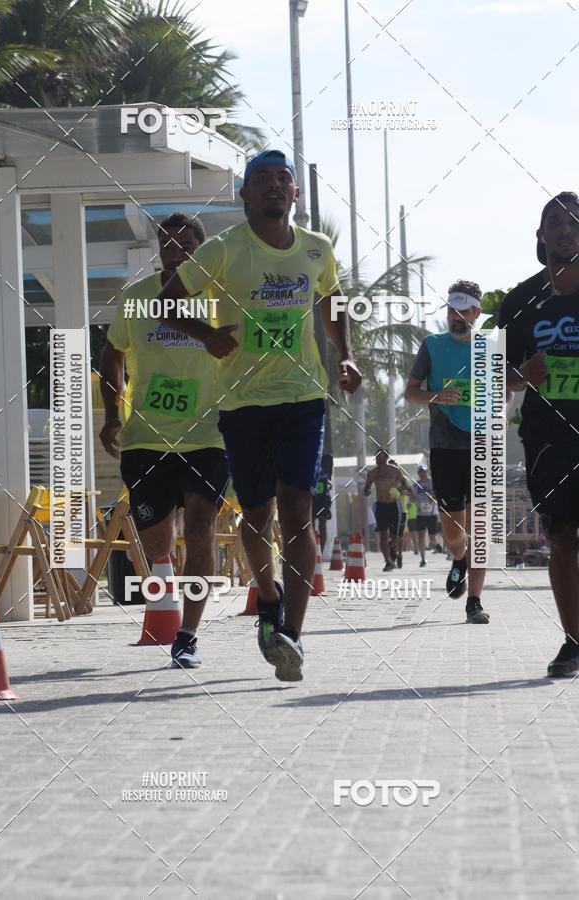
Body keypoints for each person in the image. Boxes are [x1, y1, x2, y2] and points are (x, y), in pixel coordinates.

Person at [154, 149, 362, 682]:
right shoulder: (223, 250)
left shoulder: (316, 249)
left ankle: (291, 633)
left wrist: (346, 355)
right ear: (245, 194)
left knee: (297, 506)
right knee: (257, 514)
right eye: (262, 179)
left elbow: (331, 301)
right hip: (243, 403)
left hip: (303, 397)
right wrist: (208, 335)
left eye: (282, 179)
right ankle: (266, 598)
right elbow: (167, 301)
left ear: (295, 195)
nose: (273, 186)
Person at [99, 212, 230, 668]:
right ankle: (170, 597)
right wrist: (112, 415)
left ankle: (188, 634)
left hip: (208, 436)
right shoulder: (136, 299)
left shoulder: (220, 299)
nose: (175, 253)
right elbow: (112, 355)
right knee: (158, 544)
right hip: (145, 439)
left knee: (199, 528)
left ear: (202, 250)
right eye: (167, 244)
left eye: (185, 245)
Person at [499, 191, 579, 676]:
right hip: (549, 437)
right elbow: (493, 381)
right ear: (541, 236)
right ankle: (573, 642)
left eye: (574, 221)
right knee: (563, 536)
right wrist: (523, 374)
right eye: (555, 222)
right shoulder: (519, 302)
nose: (565, 229)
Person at [404, 280, 489, 623]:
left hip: (484, 444)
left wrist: (500, 411)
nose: (456, 316)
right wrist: (436, 397)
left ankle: (475, 603)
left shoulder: (489, 346)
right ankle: (458, 558)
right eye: (451, 310)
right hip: (445, 445)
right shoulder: (432, 345)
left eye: (463, 310)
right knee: (455, 532)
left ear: (476, 312)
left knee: (482, 527)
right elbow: (411, 393)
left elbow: (506, 390)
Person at [364, 449, 408, 571]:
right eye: (376, 456)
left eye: (379, 456)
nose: (377, 458)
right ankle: (388, 562)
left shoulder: (395, 471)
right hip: (381, 506)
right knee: (383, 535)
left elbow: (405, 485)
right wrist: (367, 491)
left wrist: (398, 491)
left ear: (386, 457)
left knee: (394, 536)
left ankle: (393, 547)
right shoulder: (372, 473)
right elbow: (366, 488)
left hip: (393, 505)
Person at [413, 464, 440, 567]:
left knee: (432, 537)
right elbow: (413, 496)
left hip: (432, 513)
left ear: (427, 471)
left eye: (424, 471)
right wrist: (412, 500)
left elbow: (439, 494)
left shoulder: (432, 482)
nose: (422, 473)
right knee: (421, 536)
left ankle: (436, 544)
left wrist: (433, 497)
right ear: (418, 473)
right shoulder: (416, 484)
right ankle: (423, 559)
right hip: (420, 514)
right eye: (420, 472)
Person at [313, 454, 333, 553]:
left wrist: (329, 484)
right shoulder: (310, 458)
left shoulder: (327, 460)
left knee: (322, 524)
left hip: (323, 498)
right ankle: (312, 549)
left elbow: (330, 480)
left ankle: (320, 551)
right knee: (310, 524)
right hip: (311, 497)